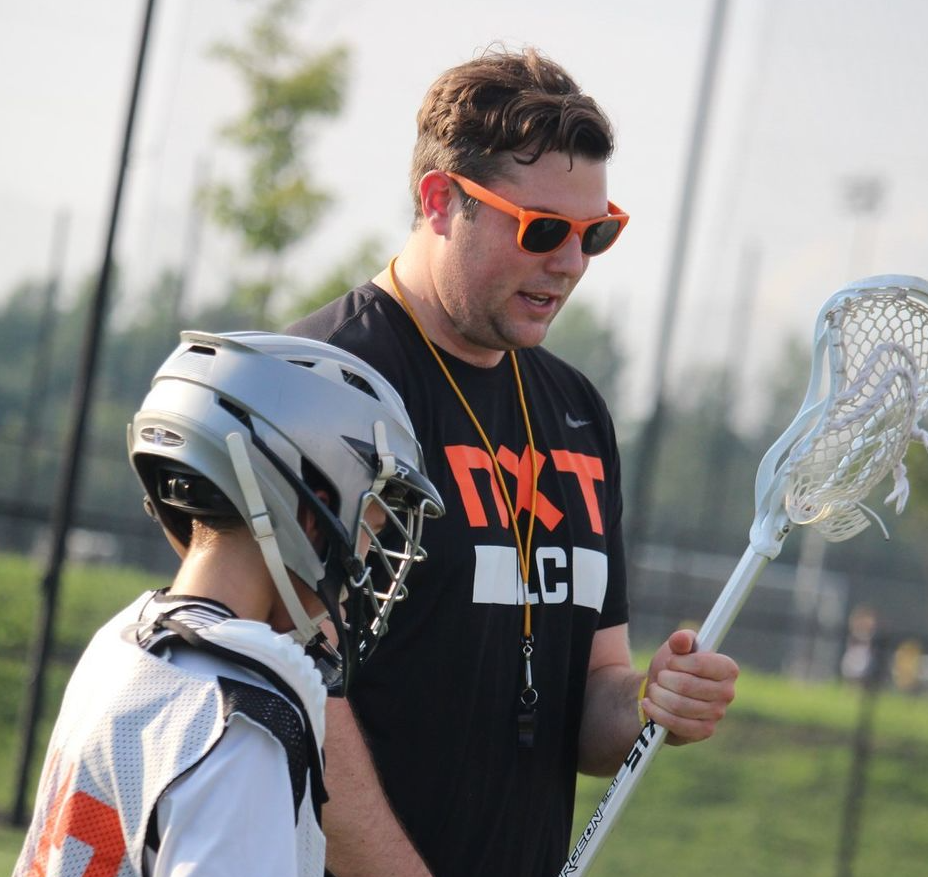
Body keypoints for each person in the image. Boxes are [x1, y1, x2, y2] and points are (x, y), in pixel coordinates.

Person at [288, 47, 740, 877]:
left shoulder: (577, 412)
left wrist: (650, 701)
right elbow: (293, 691)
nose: (570, 263)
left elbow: (591, 700)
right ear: (440, 201)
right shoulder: (327, 383)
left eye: (595, 233)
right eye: (541, 230)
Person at [12, 331, 443, 877]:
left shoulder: (121, 643)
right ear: (313, 513)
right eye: (369, 530)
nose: (365, 564)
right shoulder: (242, 723)